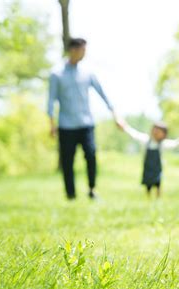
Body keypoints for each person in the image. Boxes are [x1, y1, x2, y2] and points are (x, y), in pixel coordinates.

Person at [47, 38, 117, 200]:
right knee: (67, 161)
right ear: (72, 50)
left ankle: (92, 189)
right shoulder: (57, 74)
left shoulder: (87, 72)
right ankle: (70, 194)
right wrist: (51, 124)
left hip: (86, 123)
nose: (84, 53)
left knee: (91, 155)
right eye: (82, 50)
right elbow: (51, 100)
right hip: (66, 125)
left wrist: (114, 113)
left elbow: (102, 93)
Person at [117, 119, 179, 198]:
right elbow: (134, 134)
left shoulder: (162, 144)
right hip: (148, 167)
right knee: (148, 184)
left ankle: (158, 197)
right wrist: (125, 127)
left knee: (158, 183)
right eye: (154, 129)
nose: (155, 132)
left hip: (157, 168)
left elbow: (175, 143)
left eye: (158, 131)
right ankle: (148, 197)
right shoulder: (146, 140)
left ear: (164, 134)